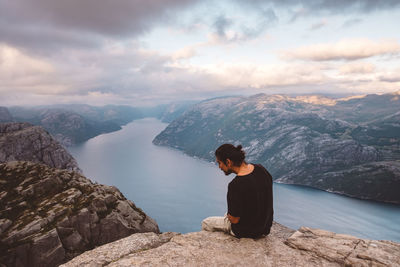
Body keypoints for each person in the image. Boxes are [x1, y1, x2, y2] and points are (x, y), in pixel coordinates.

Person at [202, 144, 274, 238]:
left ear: (228, 162)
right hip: (265, 228)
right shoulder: (261, 169)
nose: (219, 167)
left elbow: (234, 220)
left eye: (219, 163)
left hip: (246, 232)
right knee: (228, 214)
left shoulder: (235, 185)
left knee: (207, 222)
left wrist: (229, 216)